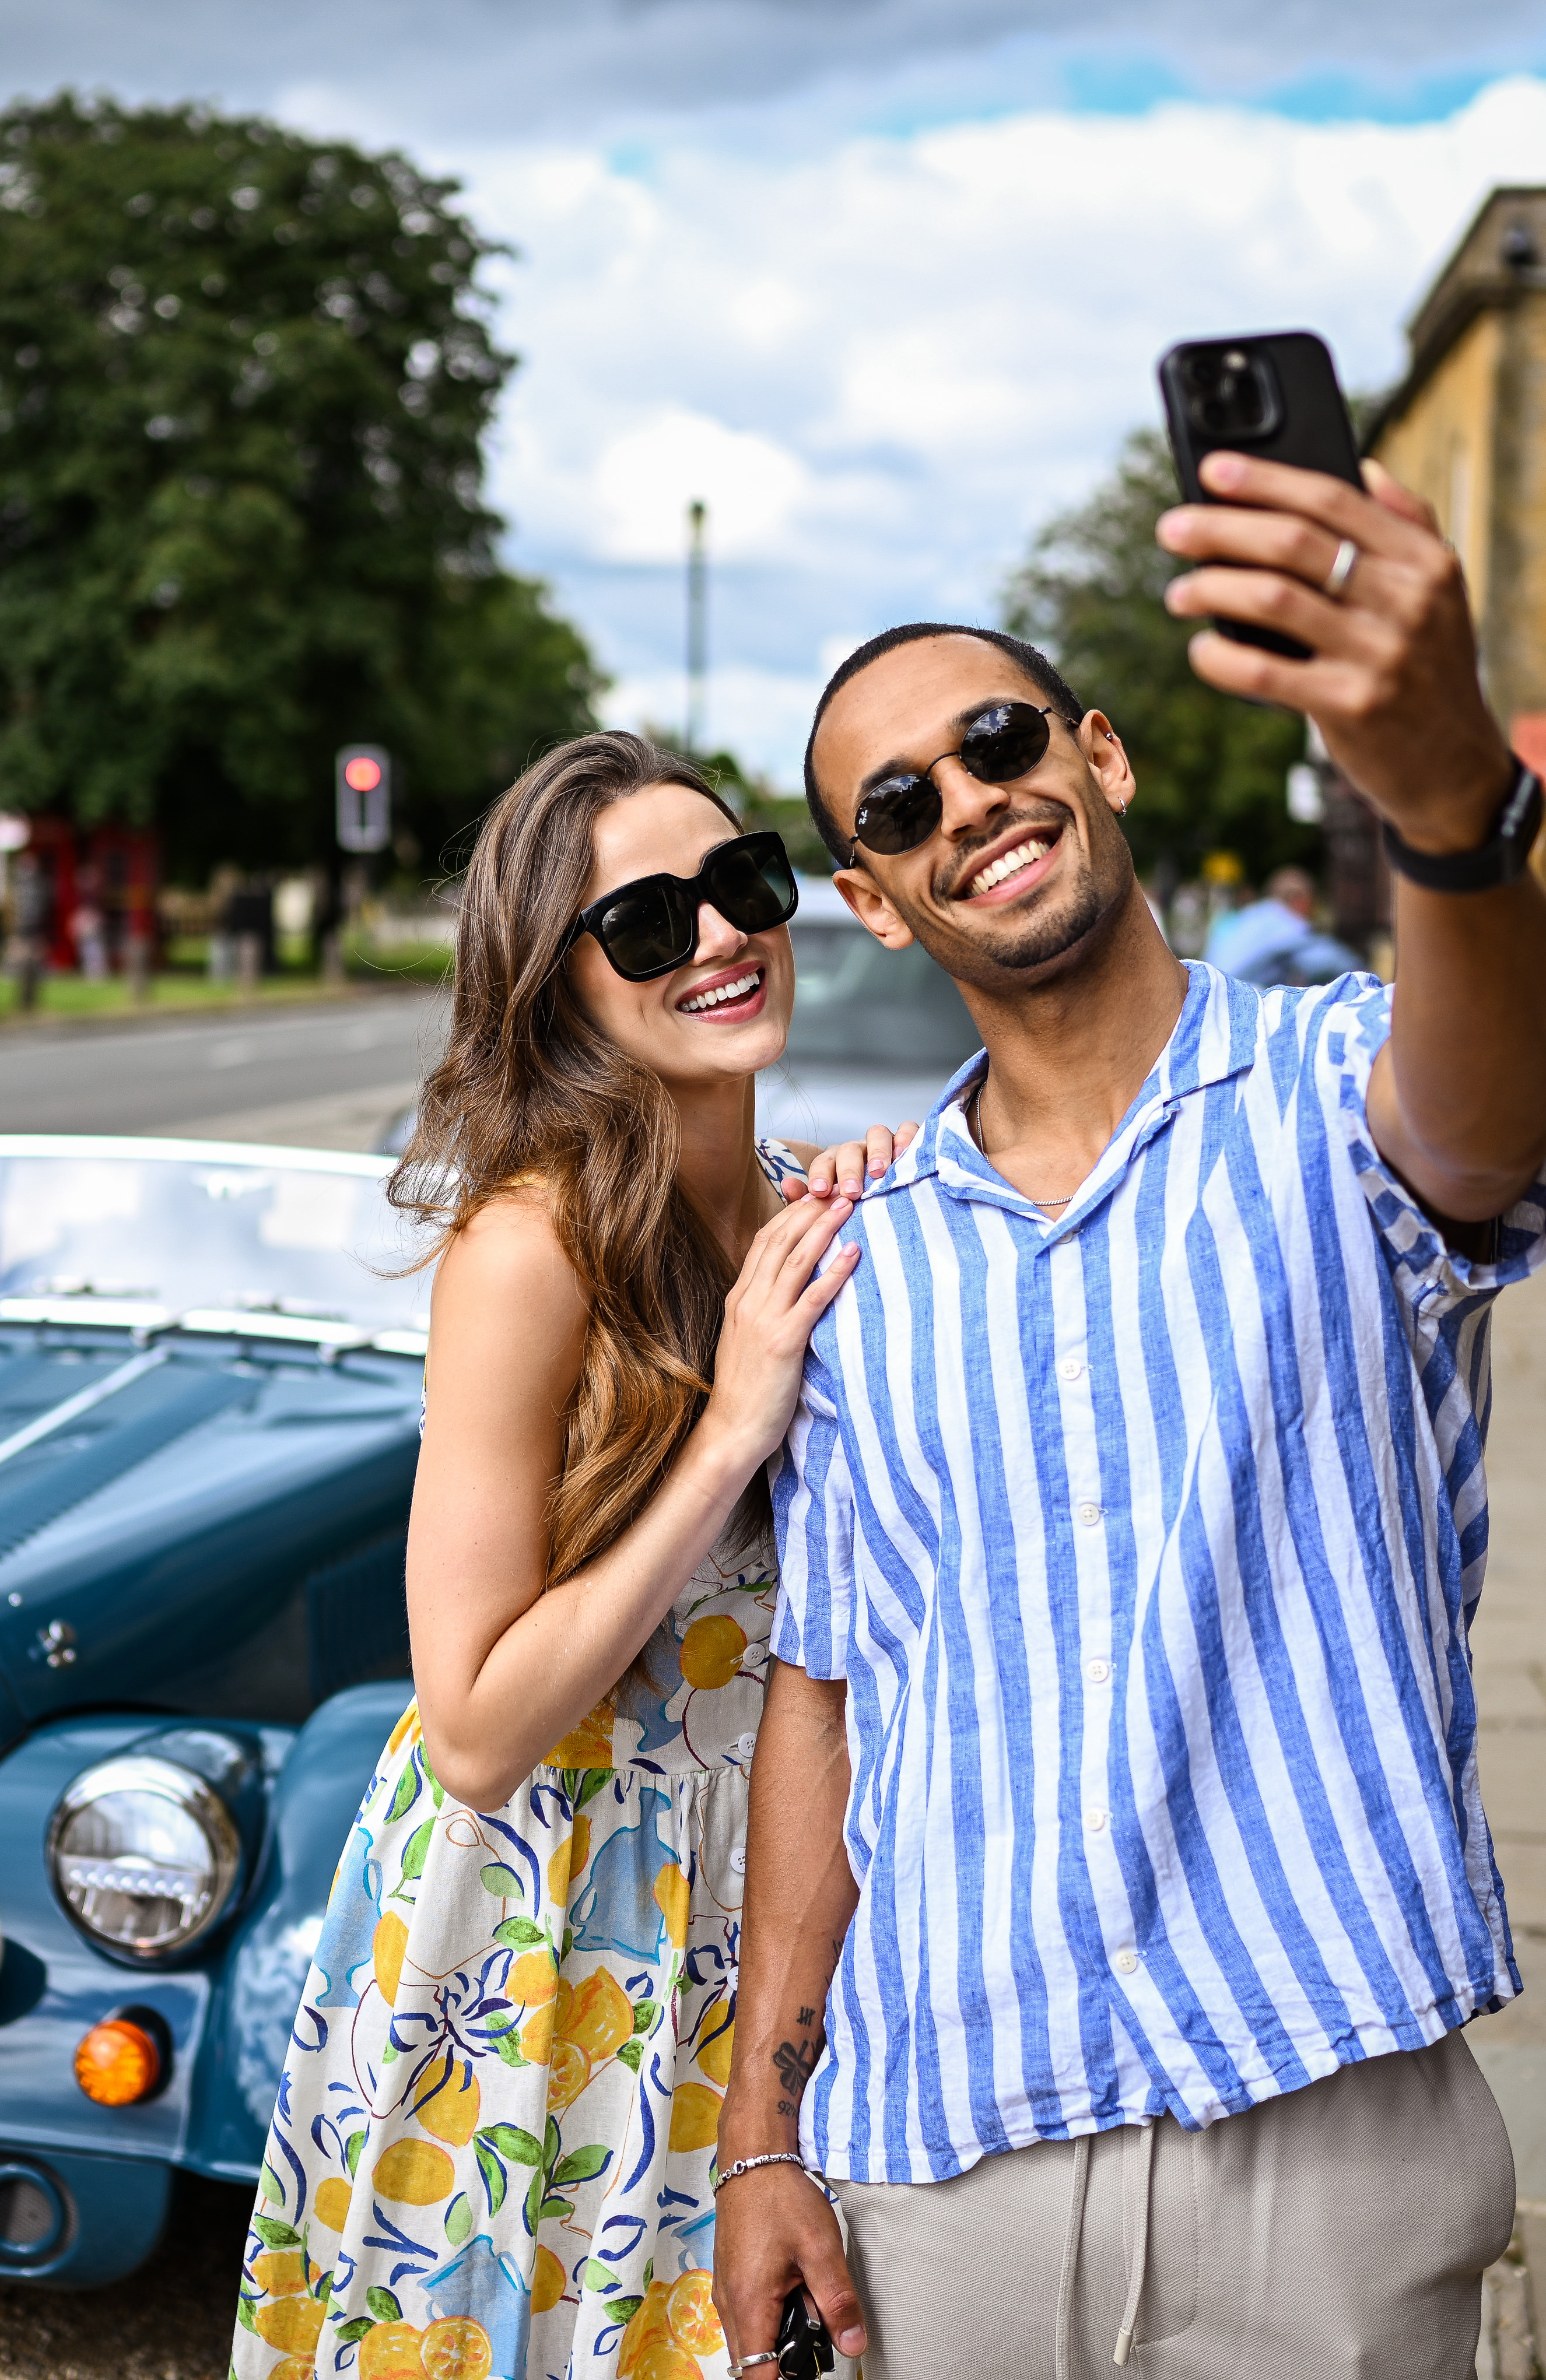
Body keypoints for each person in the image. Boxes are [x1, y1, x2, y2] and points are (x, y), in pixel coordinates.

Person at [717, 450, 1546, 2379]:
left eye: (998, 738)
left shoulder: (1337, 1088)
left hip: (1316, 2109)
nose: (970, 803)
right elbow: (831, 1699)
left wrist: (1446, 796)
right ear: (868, 896)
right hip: (945, 2157)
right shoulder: (863, 1258)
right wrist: (764, 2124)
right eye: (898, 804)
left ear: (1096, 756)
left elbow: (1487, 1100)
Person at [234, 731, 898, 2380]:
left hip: (771, 1918)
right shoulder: (531, 1244)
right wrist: (729, 1429)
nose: (722, 936)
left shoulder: (815, 1211)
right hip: (543, 1936)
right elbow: (468, 1726)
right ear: (560, 988)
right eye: (647, 925)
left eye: (739, 884)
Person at [1198, 863, 1358, 986]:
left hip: (1210, 997)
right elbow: (1326, 961)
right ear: (1299, 900)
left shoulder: (1246, 917)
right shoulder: (1282, 920)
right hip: (1235, 1001)